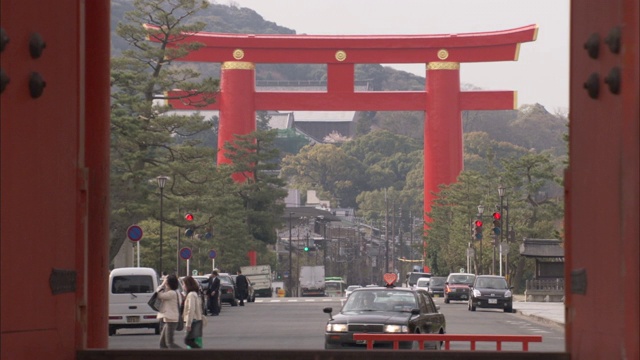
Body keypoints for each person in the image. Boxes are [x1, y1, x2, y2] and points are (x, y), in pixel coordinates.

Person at [156, 274, 182, 349]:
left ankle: (185, 355)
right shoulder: (175, 292)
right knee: (163, 343)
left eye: (166, 283)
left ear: (169, 283)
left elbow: (159, 295)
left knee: (169, 343)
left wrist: (162, 284)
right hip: (170, 319)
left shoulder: (172, 293)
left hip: (171, 320)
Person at [182, 276, 205, 349]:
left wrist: (188, 324)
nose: (183, 286)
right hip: (197, 320)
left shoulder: (191, 295)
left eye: (183, 284)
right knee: (192, 340)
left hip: (193, 321)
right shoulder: (195, 294)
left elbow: (191, 309)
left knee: (188, 340)